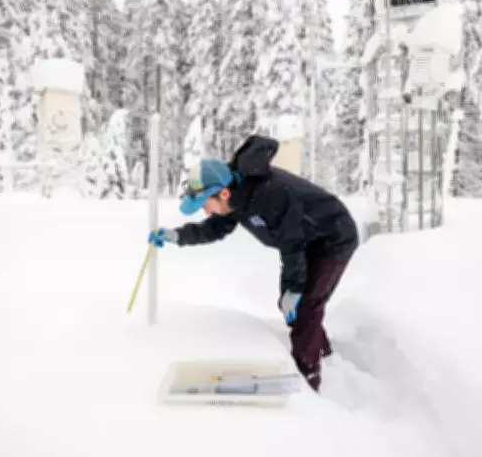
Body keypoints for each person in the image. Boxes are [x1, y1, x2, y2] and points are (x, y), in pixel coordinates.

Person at [147, 134, 360, 392]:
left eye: (205, 204)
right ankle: (321, 351)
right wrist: (177, 236)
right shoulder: (235, 196)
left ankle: (308, 382)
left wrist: (293, 289)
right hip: (305, 240)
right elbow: (215, 228)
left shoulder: (269, 194)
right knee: (296, 306)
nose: (206, 210)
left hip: (333, 237)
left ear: (223, 193)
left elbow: (292, 244)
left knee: (305, 305)